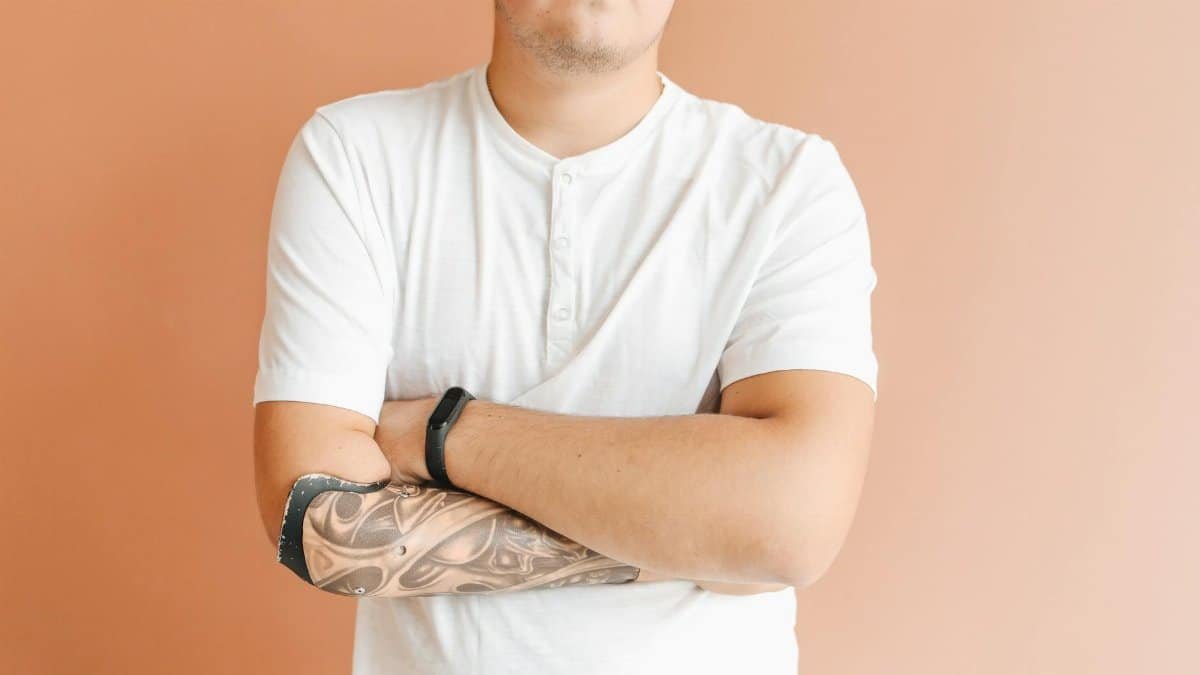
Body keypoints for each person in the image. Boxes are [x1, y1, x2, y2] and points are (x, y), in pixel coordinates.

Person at [252, 1, 879, 672]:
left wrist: (443, 433)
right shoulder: (353, 155)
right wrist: (703, 537)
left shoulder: (790, 184)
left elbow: (793, 522)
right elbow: (322, 526)